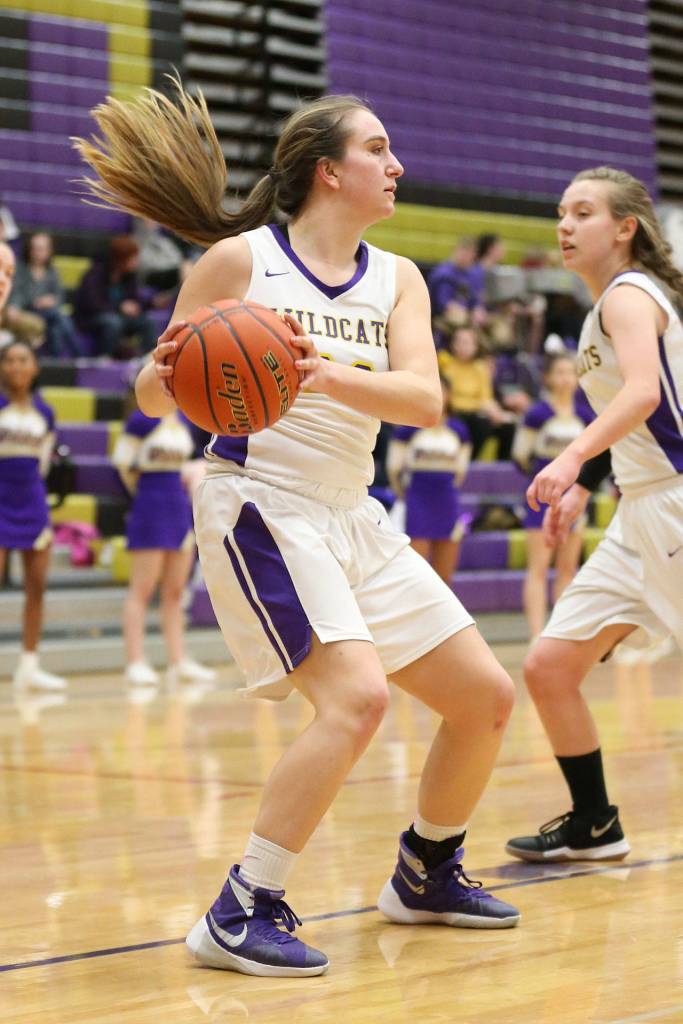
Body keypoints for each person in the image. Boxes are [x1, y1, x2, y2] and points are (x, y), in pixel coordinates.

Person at [75, 82, 519, 979]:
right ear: (329, 170)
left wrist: (316, 371)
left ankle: (426, 871)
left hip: (353, 509)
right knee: (356, 700)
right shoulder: (241, 262)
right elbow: (155, 391)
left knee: (484, 698)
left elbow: (425, 400)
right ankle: (241, 907)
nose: (396, 165)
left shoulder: (398, 277)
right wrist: (161, 371)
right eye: (378, 149)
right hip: (260, 502)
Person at [504, 166, 683, 863]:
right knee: (550, 666)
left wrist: (572, 457)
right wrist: (588, 485)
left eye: (581, 213)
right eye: (560, 212)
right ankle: (594, 822)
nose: (563, 225)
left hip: (672, 504)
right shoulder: (602, 306)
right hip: (636, 511)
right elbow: (640, 414)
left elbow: (640, 394)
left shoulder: (629, 296)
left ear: (623, 227)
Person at [0, 247, 67, 692]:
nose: (17, 366)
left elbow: (44, 465)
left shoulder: (45, 412)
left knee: (36, 589)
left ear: (36, 367)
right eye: (10, 360)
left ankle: (29, 664)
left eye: (24, 360)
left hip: (32, 502)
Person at [112, 402, 217, 687]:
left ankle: (178, 661)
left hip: (178, 506)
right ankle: (134, 662)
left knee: (175, 591)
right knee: (142, 589)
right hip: (149, 504)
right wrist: (140, 499)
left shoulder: (183, 417)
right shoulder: (138, 420)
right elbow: (122, 467)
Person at [512, 353, 593, 640]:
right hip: (543, 498)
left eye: (570, 372)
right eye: (559, 371)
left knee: (568, 567)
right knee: (539, 566)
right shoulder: (537, 414)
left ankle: (560, 634)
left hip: (576, 497)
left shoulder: (586, 415)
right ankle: (537, 634)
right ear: (547, 377)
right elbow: (520, 456)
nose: (565, 378)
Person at [386, 379, 471, 584]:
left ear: (449, 395)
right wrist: (404, 495)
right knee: (416, 573)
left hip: (446, 498)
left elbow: (460, 471)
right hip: (417, 497)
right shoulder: (408, 428)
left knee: (445, 576)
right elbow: (394, 468)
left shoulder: (459, 430)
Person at [438, 322, 514, 457]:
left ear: (475, 346)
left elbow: (486, 398)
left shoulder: (480, 368)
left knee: (507, 426)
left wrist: (497, 413)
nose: (462, 346)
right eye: (459, 342)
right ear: (452, 344)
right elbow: (446, 396)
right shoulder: (445, 364)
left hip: (476, 414)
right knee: (475, 423)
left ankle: (501, 468)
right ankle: (467, 460)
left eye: (467, 343)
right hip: (452, 412)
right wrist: (478, 405)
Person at [73, 236, 157, 358]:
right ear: (121, 259)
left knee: (146, 322)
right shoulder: (95, 274)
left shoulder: (130, 276)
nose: (136, 262)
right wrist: (120, 307)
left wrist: (149, 303)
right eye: (133, 259)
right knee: (113, 323)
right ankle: (105, 358)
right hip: (91, 318)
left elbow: (135, 298)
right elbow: (92, 304)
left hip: (119, 317)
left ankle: (148, 358)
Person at [9, 232, 80, 358]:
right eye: (34, 248)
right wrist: (34, 302)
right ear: (29, 249)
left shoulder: (52, 271)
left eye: (41, 249)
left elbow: (59, 296)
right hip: (28, 311)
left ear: (49, 251)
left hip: (47, 314)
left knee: (55, 328)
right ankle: (79, 354)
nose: (37, 253)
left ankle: (55, 363)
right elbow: (16, 294)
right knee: (58, 315)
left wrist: (51, 300)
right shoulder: (20, 268)